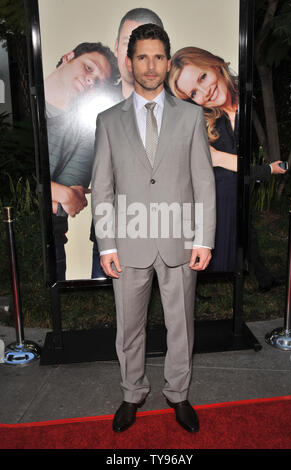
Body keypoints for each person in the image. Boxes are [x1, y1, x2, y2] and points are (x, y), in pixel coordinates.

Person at [91, 24, 216, 433]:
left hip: (180, 240)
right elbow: (103, 187)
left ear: (167, 60)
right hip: (128, 244)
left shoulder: (191, 116)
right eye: (142, 56)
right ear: (130, 62)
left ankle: (178, 394)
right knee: (129, 325)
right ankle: (132, 393)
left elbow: (203, 181)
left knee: (182, 324)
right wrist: (107, 245)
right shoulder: (108, 120)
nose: (151, 65)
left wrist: (204, 238)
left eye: (159, 57)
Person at [168, 46, 287, 276]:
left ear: (215, 65)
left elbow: (223, 160)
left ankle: (260, 277)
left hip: (237, 190)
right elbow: (211, 162)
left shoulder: (251, 98)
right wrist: (266, 170)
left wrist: (262, 169)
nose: (205, 91)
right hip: (214, 196)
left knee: (245, 233)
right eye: (194, 93)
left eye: (203, 77)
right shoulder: (203, 123)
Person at [91, 8, 164, 278]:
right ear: (118, 48)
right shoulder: (95, 108)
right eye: (129, 43)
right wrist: (106, 243)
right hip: (117, 240)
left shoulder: (185, 112)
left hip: (173, 239)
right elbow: (100, 185)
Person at [44, 42, 119, 280]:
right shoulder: (15, 101)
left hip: (50, 243)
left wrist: (63, 195)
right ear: (68, 57)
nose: (91, 80)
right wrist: (60, 191)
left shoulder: (85, 132)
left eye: (98, 82)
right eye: (89, 68)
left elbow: (68, 205)